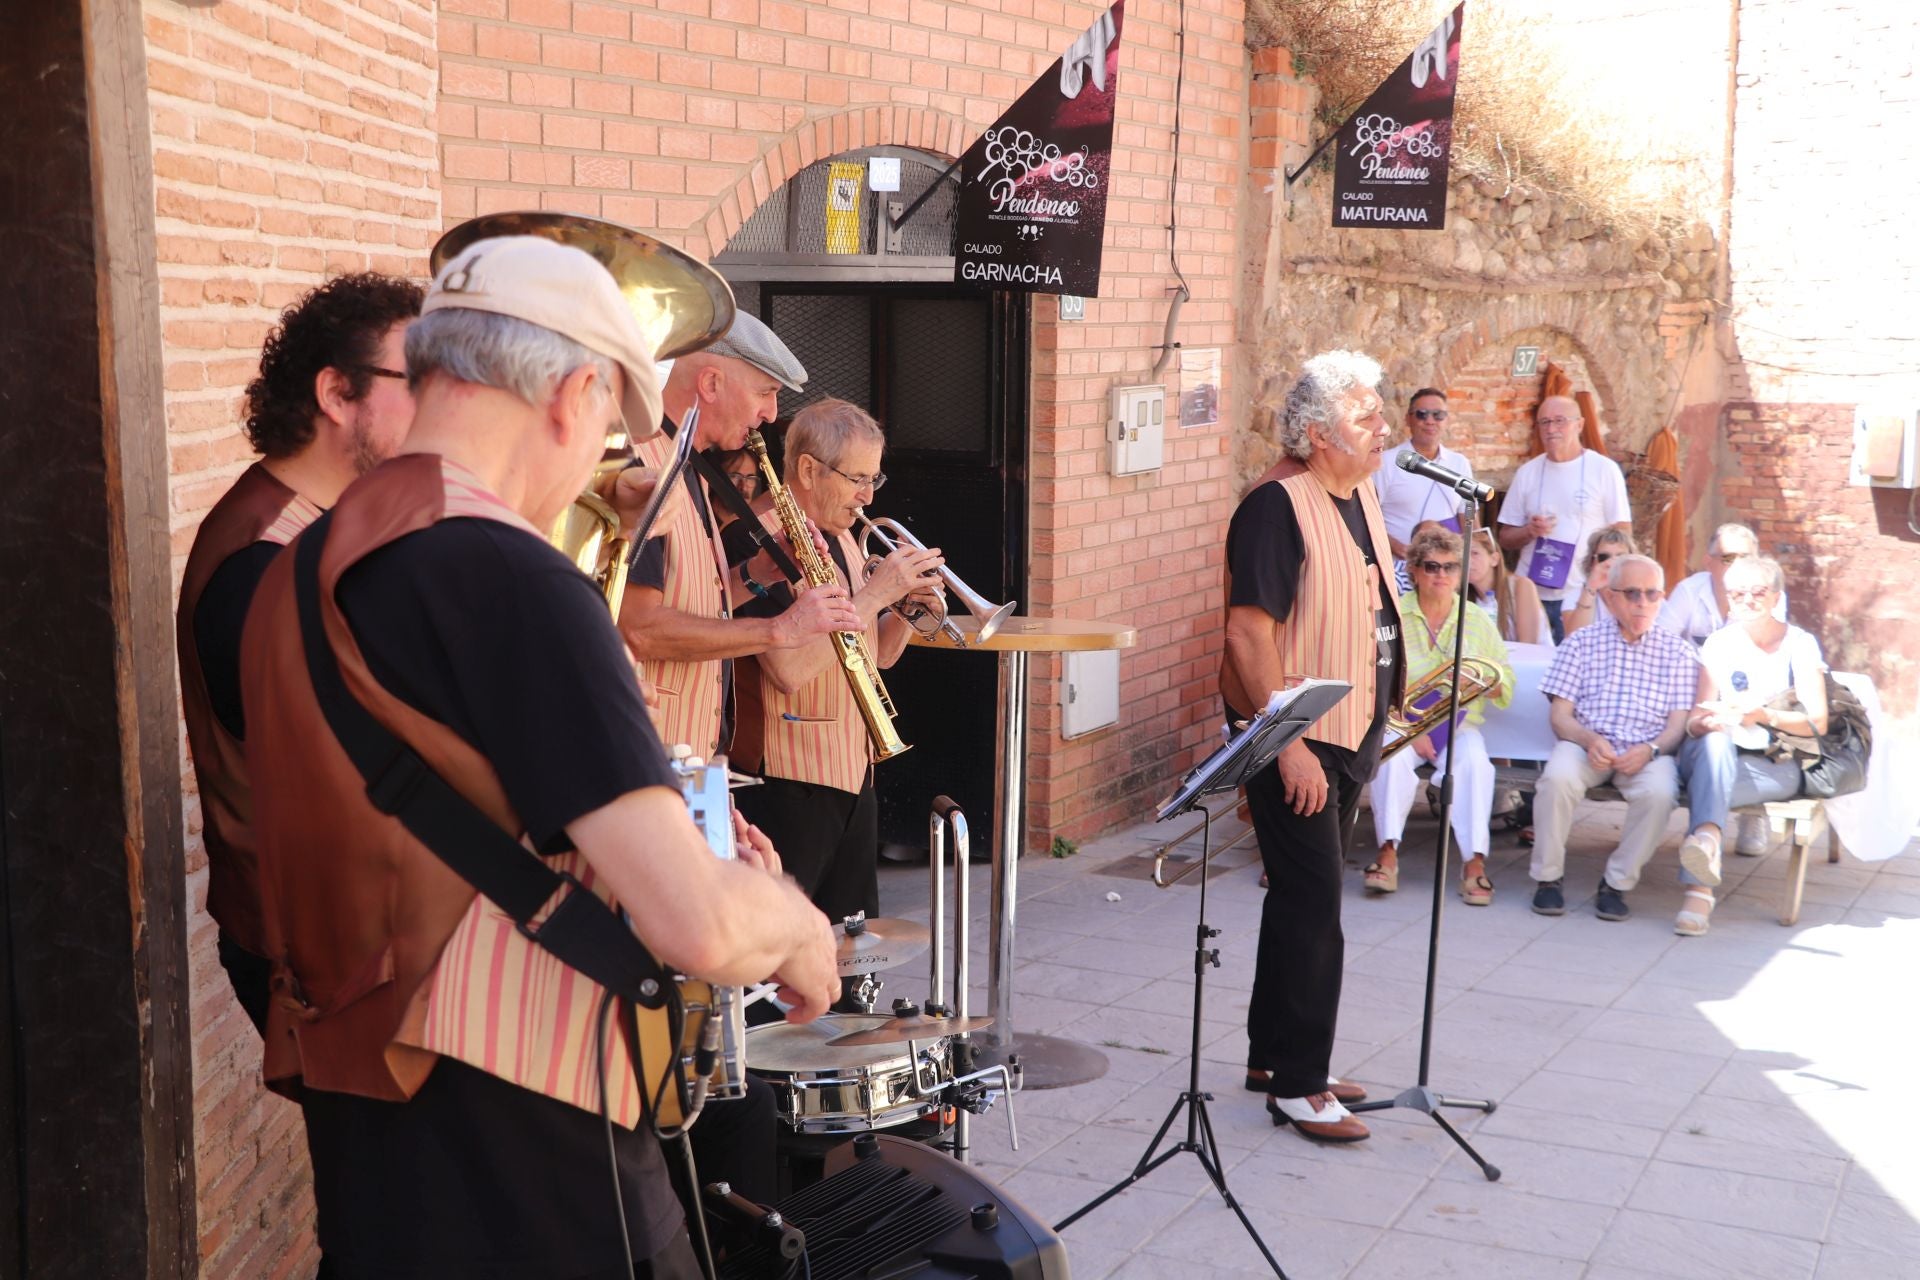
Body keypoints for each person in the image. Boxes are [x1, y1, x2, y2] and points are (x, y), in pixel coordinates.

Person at [240, 234, 839, 1280]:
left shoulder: (293, 568)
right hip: (534, 1144)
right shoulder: (516, 577)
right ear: (571, 394)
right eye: (609, 421)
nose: (599, 452)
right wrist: (798, 925)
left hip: (367, 1117)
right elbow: (693, 922)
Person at [176, 272, 422, 1034]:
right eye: (418, 381)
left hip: (364, 940)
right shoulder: (258, 564)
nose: (441, 407)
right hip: (319, 960)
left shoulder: (335, 522)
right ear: (336, 394)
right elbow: (350, 770)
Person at [1221, 350, 1404, 1144]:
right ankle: (1299, 1087)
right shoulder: (1274, 505)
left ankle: (1272, 1055)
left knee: (1297, 900)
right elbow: (1246, 632)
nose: (1384, 430)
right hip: (1298, 739)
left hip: (1352, 730)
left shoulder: (1357, 489)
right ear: (1318, 433)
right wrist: (1285, 745)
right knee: (1315, 907)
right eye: (1367, 420)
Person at [731, 398, 944, 928]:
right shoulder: (760, 536)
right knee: (784, 947)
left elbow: (875, 658)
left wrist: (910, 615)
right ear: (807, 469)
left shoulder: (843, 533)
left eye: (875, 478)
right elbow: (788, 671)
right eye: (857, 479)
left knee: (853, 949)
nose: (868, 496)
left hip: (853, 773)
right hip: (788, 780)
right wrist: (875, 595)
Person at [619, 313, 860, 762]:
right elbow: (639, 628)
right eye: (765, 392)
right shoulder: (645, 467)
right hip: (646, 754)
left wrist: (756, 575)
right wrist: (779, 629)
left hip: (685, 756)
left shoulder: (689, 466)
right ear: (710, 384)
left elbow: (687, 605)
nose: (770, 413)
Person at [1528, 555, 1697, 921]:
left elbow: (1675, 727)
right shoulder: (1581, 643)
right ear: (1609, 597)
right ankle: (1548, 878)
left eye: (1652, 594)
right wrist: (1588, 739)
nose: (1643, 603)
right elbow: (1559, 716)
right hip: (1587, 744)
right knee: (1556, 778)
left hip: (1645, 750)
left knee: (1660, 792)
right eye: (1632, 593)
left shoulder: (1680, 653)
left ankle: (1617, 882)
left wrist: (1650, 750)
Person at [1671, 556, 1826, 936]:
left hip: (1774, 759)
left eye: (1758, 592)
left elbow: (1817, 723)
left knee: (1713, 781)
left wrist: (1761, 716)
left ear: (1776, 597)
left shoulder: (1800, 645)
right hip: (1717, 751)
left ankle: (1705, 852)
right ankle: (1701, 872)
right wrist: (1712, 719)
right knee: (1716, 747)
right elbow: (1694, 719)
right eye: (1737, 593)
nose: (1747, 600)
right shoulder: (1718, 644)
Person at [1365, 527, 1515, 905]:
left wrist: (1483, 682)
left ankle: (1474, 862)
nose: (1441, 575)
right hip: (1403, 721)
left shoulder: (1477, 620)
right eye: (1431, 566)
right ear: (1414, 570)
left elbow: (1505, 682)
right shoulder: (1392, 615)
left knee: (1475, 764)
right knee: (1390, 761)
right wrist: (1411, 731)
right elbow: (1374, 678)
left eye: (1450, 567)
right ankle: (1387, 851)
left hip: (1459, 725)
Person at [1496, 395, 1631, 642]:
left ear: (1579, 425)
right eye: (1544, 422)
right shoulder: (1527, 473)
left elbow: (1622, 532)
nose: (1551, 429)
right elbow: (1505, 537)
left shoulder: (1603, 469)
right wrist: (1530, 531)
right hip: (1532, 594)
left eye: (1560, 421)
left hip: (1582, 593)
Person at [1375, 387, 1475, 570]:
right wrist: (1396, 546)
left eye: (1438, 415)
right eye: (1422, 414)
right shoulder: (1386, 462)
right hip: (1399, 568)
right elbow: (1367, 516)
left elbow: (1467, 517)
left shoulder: (1459, 463)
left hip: (1446, 571)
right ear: (1408, 419)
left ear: (1447, 420)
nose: (1430, 421)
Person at [1659, 522, 1787, 647]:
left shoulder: (1769, 595)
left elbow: (1774, 646)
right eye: (1728, 558)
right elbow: (1662, 641)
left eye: (1746, 558)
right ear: (1708, 562)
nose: (1738, 564)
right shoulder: (1688, 591)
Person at [1467, 526, 1548, 646]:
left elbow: (1528, 644)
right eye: (1461, 555)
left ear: (1494, 559)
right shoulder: (1462, 597)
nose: (1467, 560)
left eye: (1474, 553)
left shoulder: (1521, 586)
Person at [1558, 526, 1638, 636]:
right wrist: (1591, 588)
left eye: (1621, 557)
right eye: (1604, 557)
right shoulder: (1576, 596)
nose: (1611, 562)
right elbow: (1574, 638)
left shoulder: (1645, 595)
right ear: (1592, 562)